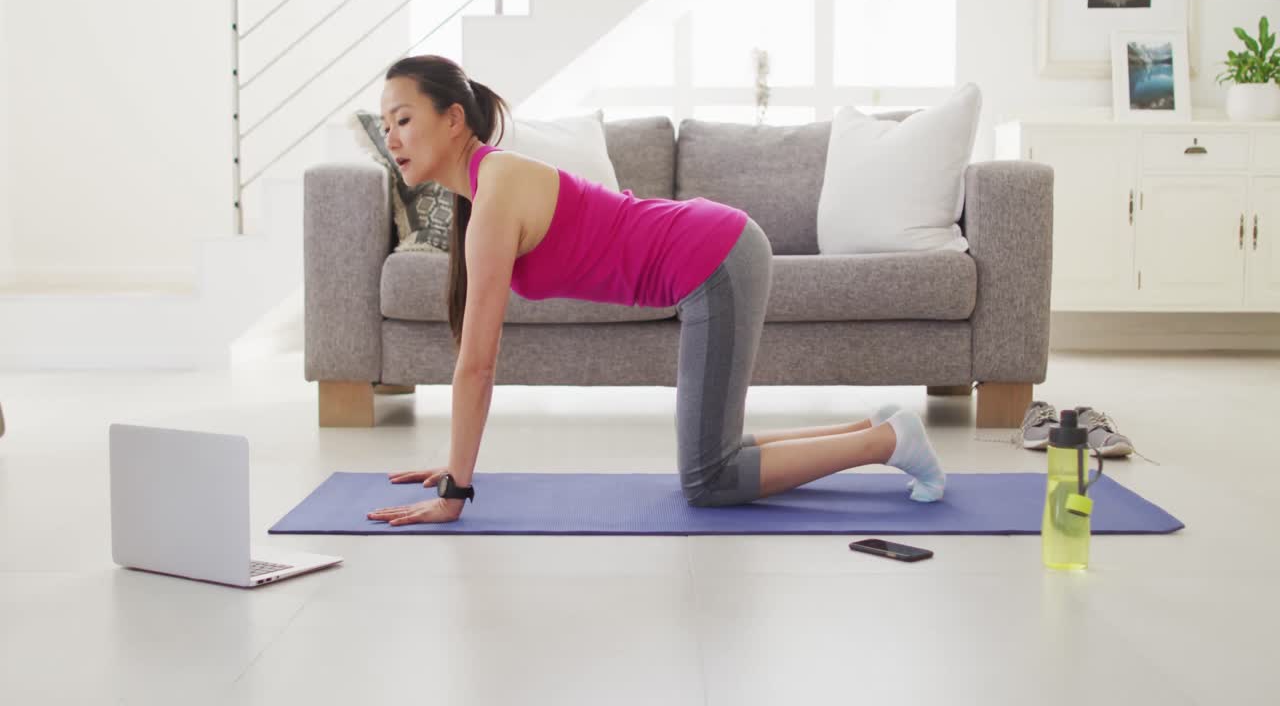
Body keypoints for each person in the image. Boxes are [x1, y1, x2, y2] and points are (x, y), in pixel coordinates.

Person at [365, 55, 945, 527]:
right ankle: (870, 429)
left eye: (404, 118)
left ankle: (889, 443)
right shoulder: (485, 190)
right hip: (715, 247)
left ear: (453, 119)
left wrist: (454, 489)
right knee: (716, 452)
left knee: (709, 478)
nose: (391, 136)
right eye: (386, 124)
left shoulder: (494, 194)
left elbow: (477, 365)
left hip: (713, 258)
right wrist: (452, 467)